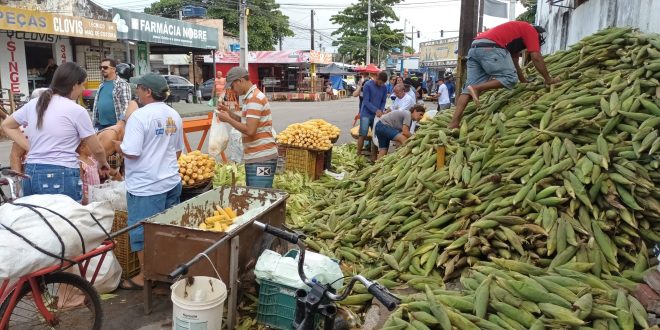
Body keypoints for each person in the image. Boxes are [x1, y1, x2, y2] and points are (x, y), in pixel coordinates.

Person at [113, 73, 184, 290]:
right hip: (171, 182)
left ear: (148, 92)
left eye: (139, 89)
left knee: (142, 233)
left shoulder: (139, 117)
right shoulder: (174, 115)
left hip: (146, 187)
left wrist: (115, 144)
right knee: (166, 230)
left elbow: (131, 153)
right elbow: (178, 151)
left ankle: (146, 276)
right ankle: (167, 270)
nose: (137, 92)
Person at [1, 62, 110, 201]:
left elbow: (7, 125)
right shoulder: (77, 110)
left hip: (32, 172)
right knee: (65, 220)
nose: (83, 90)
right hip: (62, 173)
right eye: (83, 85)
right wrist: (102, 163)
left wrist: (31, 147)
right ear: (74, 84)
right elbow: (98, 149)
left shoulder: (35, 103)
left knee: (35, 218)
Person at [449, 21, 561, 128]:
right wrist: (548, 79)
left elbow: (515, 64)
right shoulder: (530, 30)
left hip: (475, 47)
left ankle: (454, 123)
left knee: (467, 90)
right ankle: (477, 88)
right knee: (510, 78)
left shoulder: (513, 36)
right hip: (490, 47)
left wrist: (524, 81)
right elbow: (536, 57)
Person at [216, 67, 279, 188]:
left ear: (240, 81)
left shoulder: (254, 98)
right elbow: (247, 122)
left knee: (259, 196)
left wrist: (228, 120)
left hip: (262, 158)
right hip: (256, 157)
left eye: (233, 86)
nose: (232, 90)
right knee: (255, 195)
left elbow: (250, 130)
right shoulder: (250, 97)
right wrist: (229, 113)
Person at [92, 58, 132, 130]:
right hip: (100, 125)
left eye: (105, 67)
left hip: (115, 125)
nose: (102, 69)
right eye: (100, 67)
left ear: (113, 69)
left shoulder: (122, 84)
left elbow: (126, 106)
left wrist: (121, 121)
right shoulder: (101, 85)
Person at [357, 71, 388, 158]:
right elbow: (366, 101)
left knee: (375, 135)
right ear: (377, 78)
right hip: (366, 114)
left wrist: (381, 110)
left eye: (382, 83)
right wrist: (376, 110)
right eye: (380, 82)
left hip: (376, 115)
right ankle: (358, 154)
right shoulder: (367, 85)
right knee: (362, 134)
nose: (380, 84)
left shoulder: (384, 88)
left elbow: (383, 101)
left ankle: (373, 157)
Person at [78, 140, 101, 205]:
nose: (92, 148)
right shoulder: (80, 163)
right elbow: (80, 182)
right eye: (90, 146)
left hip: (97, 192)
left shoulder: (92, 160)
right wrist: (84, 196)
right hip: (87, 195)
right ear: (82, 148)